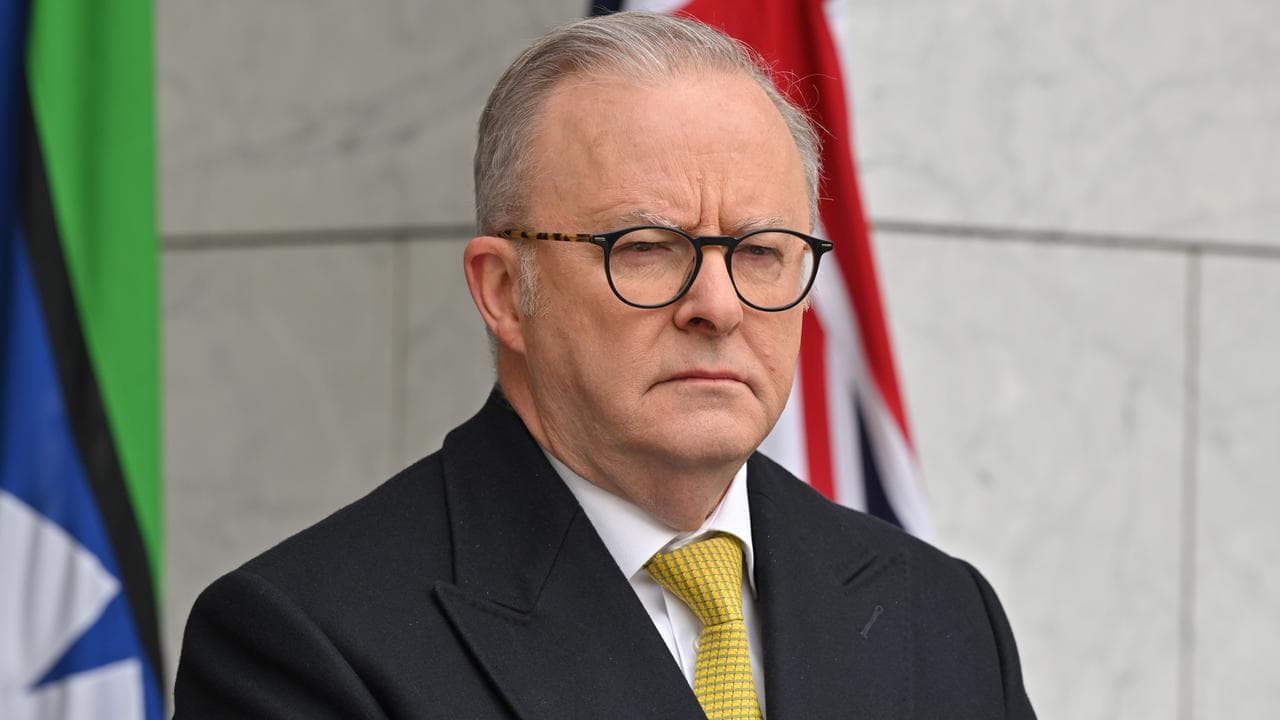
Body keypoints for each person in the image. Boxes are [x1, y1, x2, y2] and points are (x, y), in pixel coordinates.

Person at [174, 11, 1036, 719]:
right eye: (649, 247)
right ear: (506, 291)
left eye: (763, 251)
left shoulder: (943, 619)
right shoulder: (304, 643)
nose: (720, 306)